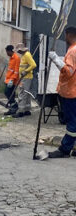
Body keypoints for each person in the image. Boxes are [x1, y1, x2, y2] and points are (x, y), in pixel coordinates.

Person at [47, 26, 76, 158]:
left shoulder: (72, 51)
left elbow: (68, 72)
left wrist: (56, 60)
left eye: (65, 35)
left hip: (71, 92)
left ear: (69, 35)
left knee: (72, 122)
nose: (65, 38)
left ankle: (65, 149)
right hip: (73, 90)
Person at [12, 43, 37, 118]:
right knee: (26, 93)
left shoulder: (27, 55)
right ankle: (27, 110)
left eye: (18, 51)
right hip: (24, 77)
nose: (18, 52)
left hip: (26, 77)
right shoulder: (24, 55)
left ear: (21, 50)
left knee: (22, 93)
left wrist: (25, 71)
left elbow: (33, 65)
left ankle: (21, 111)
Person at [3, 45, 21, 115]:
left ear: (10, 51)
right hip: (8, 79)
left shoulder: (16, 58)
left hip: (12, 80)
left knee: (7, 92)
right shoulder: (11, 58)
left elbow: (16, 71)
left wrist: (12, 80)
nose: (6, 53)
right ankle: (12, 108)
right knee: (10, 94)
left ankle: (14, 105)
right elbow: (10, 70)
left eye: (7, 51)